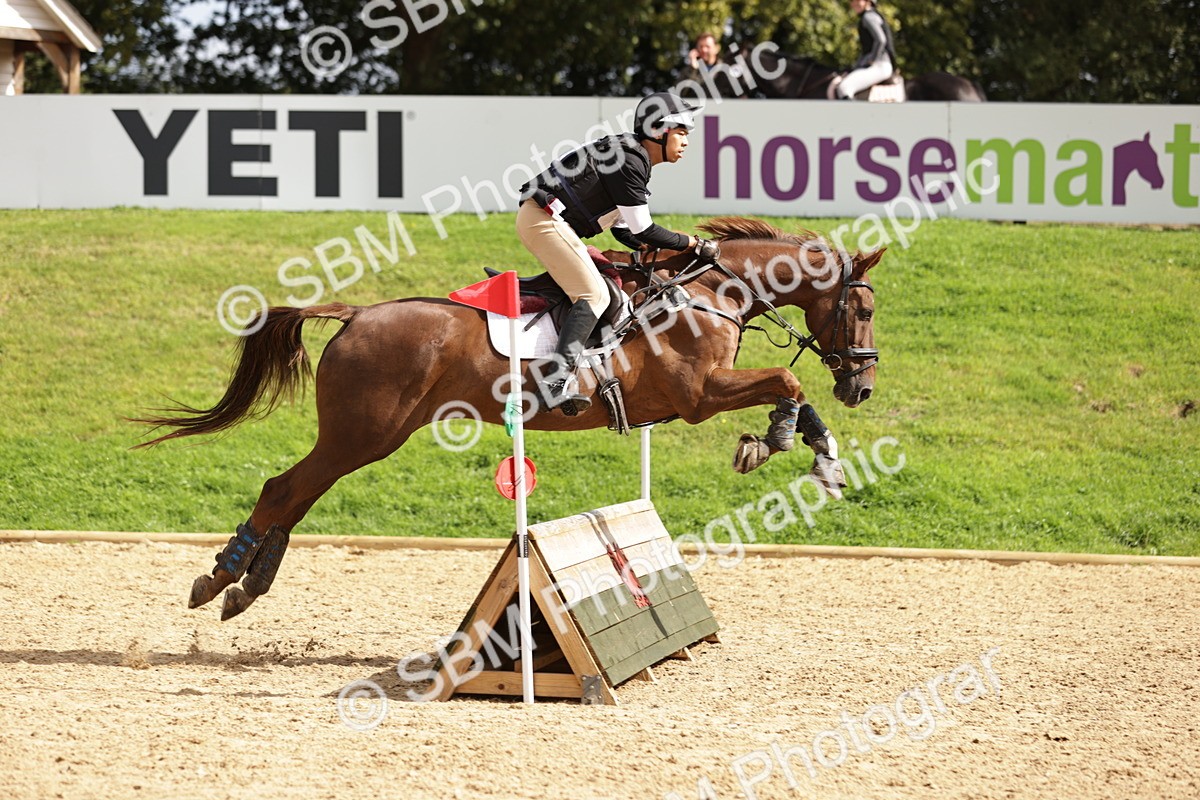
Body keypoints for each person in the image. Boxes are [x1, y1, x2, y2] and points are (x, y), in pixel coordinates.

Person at [517, 91, 722, 416]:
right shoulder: (631, 159)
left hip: (547, 220)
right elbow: (644, 229)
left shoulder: (633, 155)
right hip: (542, 220)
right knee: (594, 295)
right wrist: (694, 244)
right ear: (659, 130)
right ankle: (554, 383)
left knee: (596, 290)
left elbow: (625, 228)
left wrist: (643, 246)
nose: (686, 142)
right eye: (681, 132)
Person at [836, 0, 897, 100]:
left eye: (857, 0)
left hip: (879, 65)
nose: (853, 3)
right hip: (879, 64)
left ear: (868, 2)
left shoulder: (868, 17)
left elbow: (881, 40)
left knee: (844, 88)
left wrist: (872, 60)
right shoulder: (871, 16)